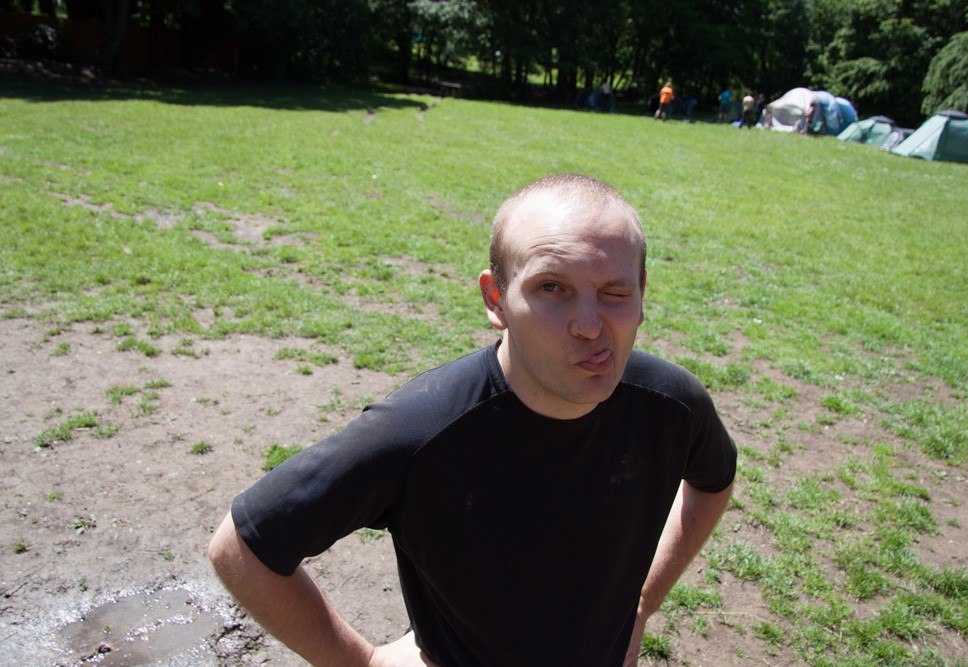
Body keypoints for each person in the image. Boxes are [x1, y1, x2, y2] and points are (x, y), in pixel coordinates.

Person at [208, 173, 737, 667]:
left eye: (615, 293)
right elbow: (242, 548)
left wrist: (642, 604)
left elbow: (714, 480)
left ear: (642, 294)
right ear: (496, 298)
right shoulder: (421, 431)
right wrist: (363, 662)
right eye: (552, 288)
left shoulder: (672, 405)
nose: (589, 325)